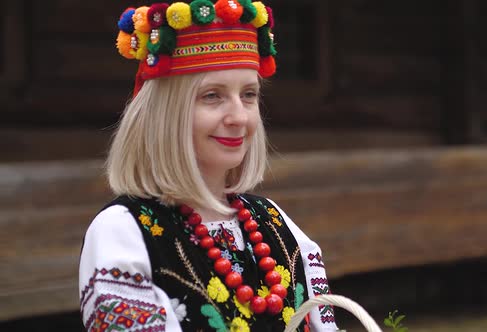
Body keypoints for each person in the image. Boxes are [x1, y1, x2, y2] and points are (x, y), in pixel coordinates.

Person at [78, 1, 338, 331]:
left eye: (249, 95)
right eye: (212, 96)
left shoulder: (273, 220)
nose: (239, 117)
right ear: (164, 115)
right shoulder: (124, 232)